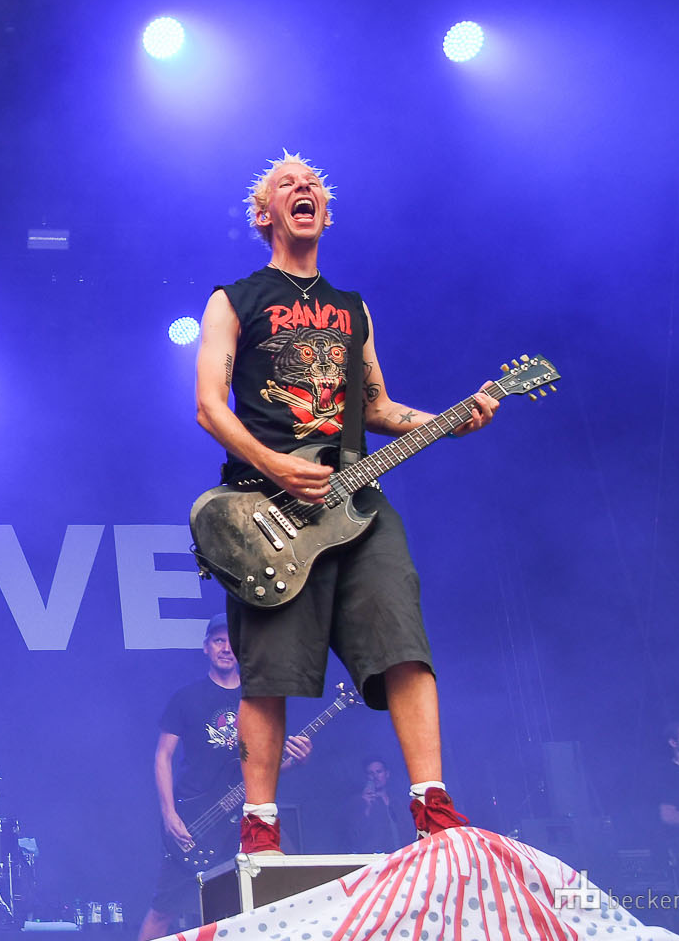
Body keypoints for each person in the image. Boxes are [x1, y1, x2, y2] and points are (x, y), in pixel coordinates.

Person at [192, 151, 498, 854]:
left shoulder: (352, 308)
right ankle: (259, 824)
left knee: (403, 639)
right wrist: (274, 463)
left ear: (325, 214)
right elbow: (209, 405)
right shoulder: (234, 299)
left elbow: (377, 407)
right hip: (267, 505)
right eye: (287, 184)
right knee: (268, 673)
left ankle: (431, 803)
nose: (304, 188)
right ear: (264, 214)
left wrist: (450, 419)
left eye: (314, 185)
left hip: (358, 500)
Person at [137, 616, 312, 941]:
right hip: (196, 818)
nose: (226, 648)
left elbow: (263, 766)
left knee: (278, 895)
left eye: (233, 641)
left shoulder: (259, 699)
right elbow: (163, 756)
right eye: (218, 640)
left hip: (246, 816)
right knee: (163, 910)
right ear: (206, 647)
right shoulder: (186, 698)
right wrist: (169, 814)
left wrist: (296, 761)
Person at [352, 757, 403, 853]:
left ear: (387, 774)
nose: (375, 776)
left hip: (402, 855)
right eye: (371, 773)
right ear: (367, 777)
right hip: (376, 857)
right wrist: (366, 806)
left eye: (378, 772)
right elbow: (356, 834)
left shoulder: (399, 800)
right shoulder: (359, 801)